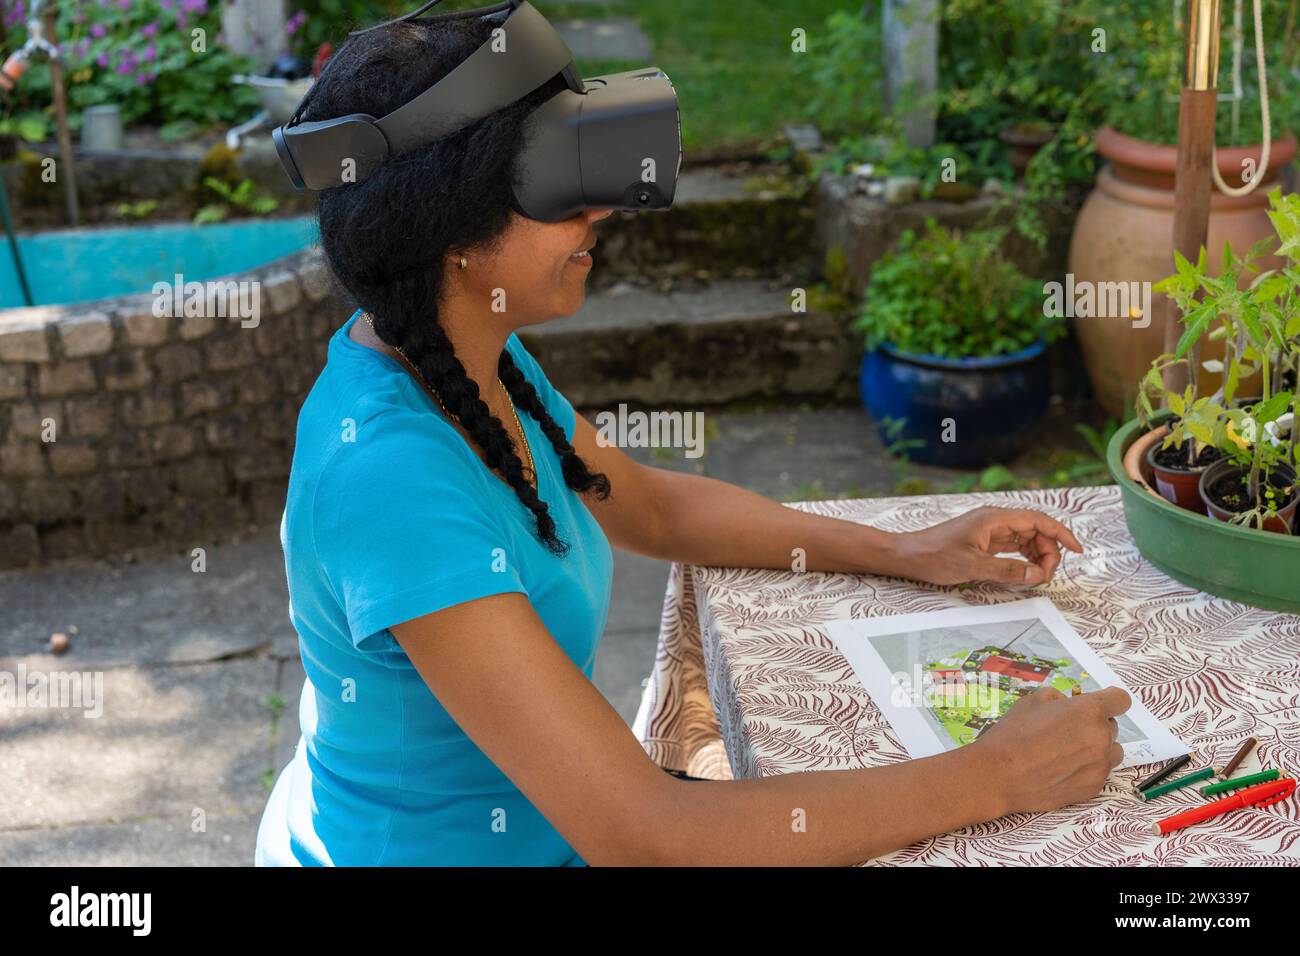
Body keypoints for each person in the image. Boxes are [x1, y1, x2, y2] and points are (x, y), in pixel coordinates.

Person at [254, 13, 1129, 867]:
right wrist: (997, 775)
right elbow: (649, 834)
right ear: (452, 237)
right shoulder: (391, 477)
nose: (601, 208)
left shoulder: (472, 356)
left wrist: (905, 550)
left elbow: (656, 507)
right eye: (558, 182)